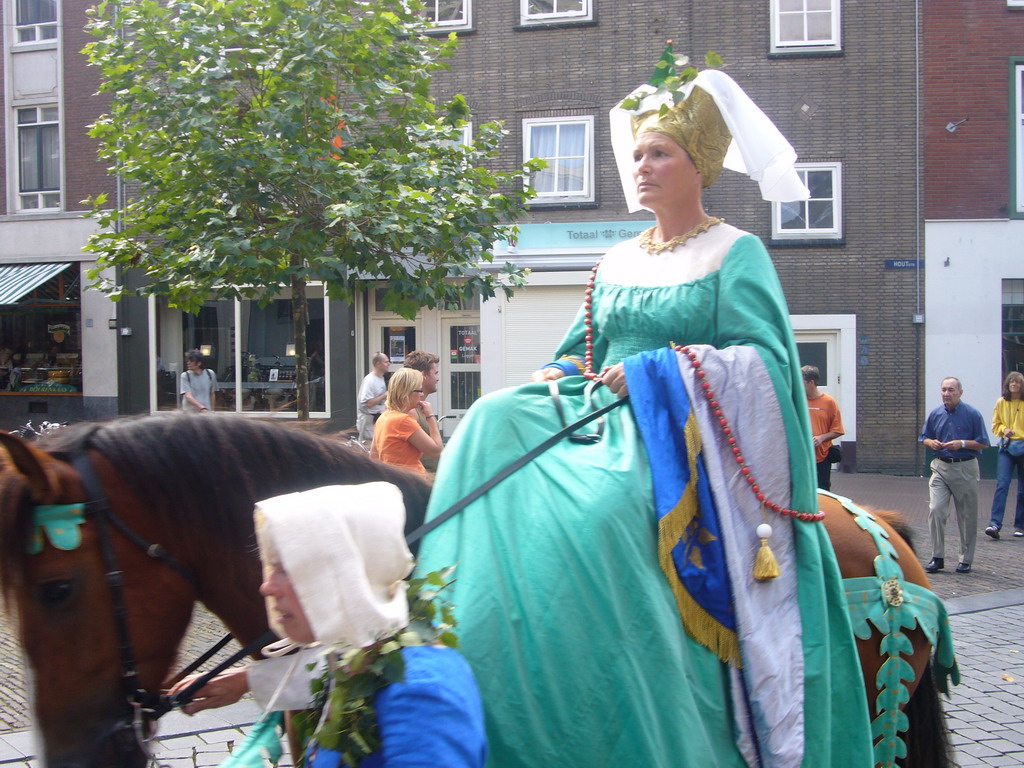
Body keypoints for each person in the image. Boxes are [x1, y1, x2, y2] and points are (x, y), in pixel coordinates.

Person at [416, 63, 875, 767]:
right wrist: (558, 373)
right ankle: (463, 625)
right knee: (489, 416)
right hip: (602, 414)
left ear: (700, 167)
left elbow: (766, 365)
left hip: (686, 440)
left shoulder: (735, 253)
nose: (642, 167)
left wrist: (663, 371)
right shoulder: (616, 259)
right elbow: (583, 347)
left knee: (601, 509)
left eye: (659, 153)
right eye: (635, 154)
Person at [169, 483, 487, 767]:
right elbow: (327, 668)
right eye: (271, 567)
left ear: (342, 576)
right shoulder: (363, 652)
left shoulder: (422, 692)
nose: (267, 587)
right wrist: (248, 680)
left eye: (288, 568)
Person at [920, 376, 990, 574]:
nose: (946, 394)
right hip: (940, 466)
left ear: (960, 392)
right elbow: (924, 437)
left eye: (951, 390)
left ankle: (965, 559)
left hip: (965, 467)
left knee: (966, 515)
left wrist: (963, 443)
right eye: (943, 390)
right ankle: (937, 556)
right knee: (936, 509)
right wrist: (930, 443)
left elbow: (984, 442)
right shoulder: (935, 414)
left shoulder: (972, 414)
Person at [371, 368, 443, 476]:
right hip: (412, 482)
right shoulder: (403, 421)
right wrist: (430, 417)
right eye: (419, 390)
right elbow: (436, 452)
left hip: (395, 479)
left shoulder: (384, 417)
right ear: (407, 392)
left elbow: (374, 456)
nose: (422, 395)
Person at [986, 371, 1024, 539]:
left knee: (1022, 489)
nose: (1014, 385)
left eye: (1017, 382)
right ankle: (994, 524)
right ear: (1007, 385)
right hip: (1006, 448)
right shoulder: (1001, 402)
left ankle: (1020, 525)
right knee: (1002, 485)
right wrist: (1003, 430)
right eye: (1011, 382)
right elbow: (995, 425)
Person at [802, 365, 845, 491]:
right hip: (801, 457)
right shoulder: (798, 401)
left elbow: (838, 430)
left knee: (822, 492)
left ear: (811, 382)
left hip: (821, 457)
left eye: (801, 381)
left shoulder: (829, 402)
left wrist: (821, 438)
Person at [403, 350, 441, 472]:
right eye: (435, 373)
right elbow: (435, 451)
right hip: (422, 481)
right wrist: (431, 417)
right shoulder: (410, 411)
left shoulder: (419, 407)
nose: (438, 379)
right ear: (424, 375)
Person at [356, 352, 390, 444]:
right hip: (369, 423)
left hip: (378, 419)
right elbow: (369, 403)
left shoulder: (381, 378)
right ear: (378, 364)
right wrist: (384, 395)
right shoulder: (369, 380)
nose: (389, 364)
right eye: (386, 362)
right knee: (369, 449)